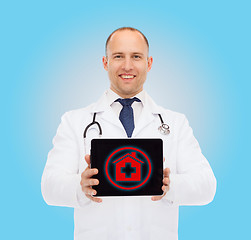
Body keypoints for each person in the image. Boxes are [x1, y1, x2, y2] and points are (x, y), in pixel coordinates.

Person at [41, 27, 216, 240]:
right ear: (105, 63)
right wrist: (80, 186)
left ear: (149, 63)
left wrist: (171, 185)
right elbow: (48, 187)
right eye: (118, 56)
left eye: (136, 56)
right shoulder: (74, 121)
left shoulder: (175, 123)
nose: (127, 66)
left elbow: (207, 186)